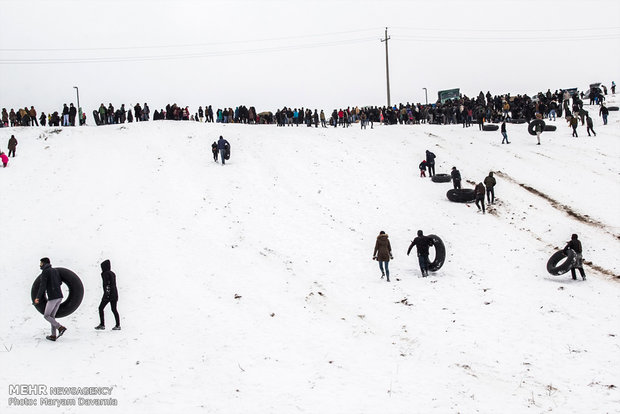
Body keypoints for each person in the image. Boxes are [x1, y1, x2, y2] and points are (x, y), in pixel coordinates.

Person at [33, 258, 67, 341]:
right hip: (59, 296)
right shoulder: (55, 271)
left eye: (41, 263)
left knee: (46, 315)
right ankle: (53, 335)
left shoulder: (45, 272)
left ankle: (60, 327)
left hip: (53, 297)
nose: (40, 265)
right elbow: (60, 282)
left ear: (44, 263)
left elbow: (42, 286)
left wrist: (37, 297)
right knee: (52, 316)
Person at [95, 259, 121, 330]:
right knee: (114, 309)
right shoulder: (112, 273)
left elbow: (107, 284)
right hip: (115, 294)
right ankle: (118, 325)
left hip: (108, 294)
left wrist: (107, 295)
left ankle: (102, 324)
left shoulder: (105, 274)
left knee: (101, 308)